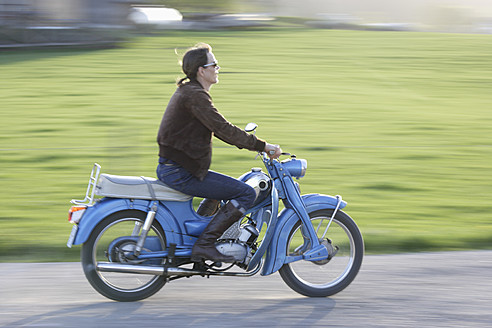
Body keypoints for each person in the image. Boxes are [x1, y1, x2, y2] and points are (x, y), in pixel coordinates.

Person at [156, 43, 282, 263]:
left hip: (181, 167)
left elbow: (220, 129)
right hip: (180, 171)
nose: (218, 67)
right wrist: (263, 146)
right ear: (201, 70)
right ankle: (204, 245)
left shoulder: (190, 92)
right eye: (213, 64)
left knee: (222, 189)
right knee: (245, 193)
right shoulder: (195, 96)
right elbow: (223, 129)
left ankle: (203, 238)